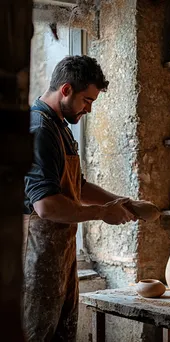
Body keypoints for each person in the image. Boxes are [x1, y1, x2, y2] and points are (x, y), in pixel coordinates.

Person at [23, 55, 138, 341]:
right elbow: (47, 205)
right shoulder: (39, 130)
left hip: (59, 255)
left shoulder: (59, 125)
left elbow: (78, 186)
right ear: (65, 90)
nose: (88, 109)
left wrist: (123, 202)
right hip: (34, 256)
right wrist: (102, 213)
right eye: (86, 100)